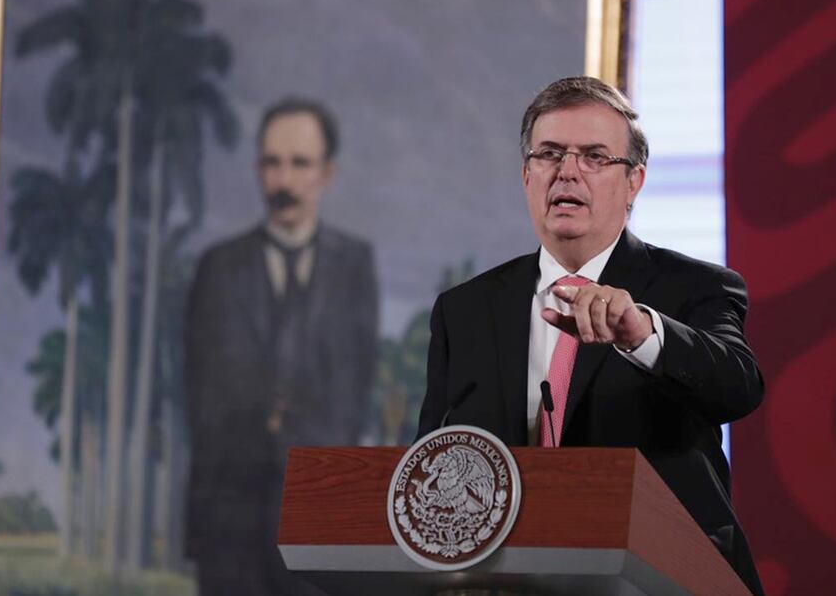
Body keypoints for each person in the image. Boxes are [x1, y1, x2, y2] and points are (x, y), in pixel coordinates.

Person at [416, 76, 765, 594]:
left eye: (595, 157)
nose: (568, 172)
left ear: (634, 183)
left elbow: (738, 386)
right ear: (527, 175)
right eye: (550, 153)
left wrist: (642, 333)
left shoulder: (696, 287)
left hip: (659, 580)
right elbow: (431, 461)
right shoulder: (465, 309)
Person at [185, 98, 379, 595]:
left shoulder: (354, 267)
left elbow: (353, 394)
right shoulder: (218, 269)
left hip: (320, 525)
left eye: (300, 164)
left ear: (327, 173)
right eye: (272, 164)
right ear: (257, 170)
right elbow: (196, 393)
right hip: (230, 524)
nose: (285, 182)